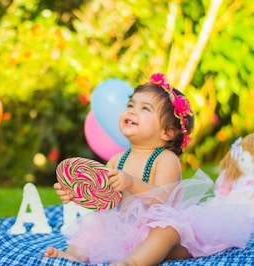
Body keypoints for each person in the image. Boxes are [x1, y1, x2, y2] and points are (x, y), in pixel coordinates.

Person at [44, 73, 252, 265]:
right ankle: (74, 255)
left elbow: (164, 199)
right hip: (123, 230)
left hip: (158, 232)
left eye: (145, 109)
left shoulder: (165, 159)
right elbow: (104, 198)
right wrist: (76, 194)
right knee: (93, 225)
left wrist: (132, 183)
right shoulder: (117, 160)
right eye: (131, 104)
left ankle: (133, 262)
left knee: (167, 231)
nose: (132, 110)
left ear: (167, 132)